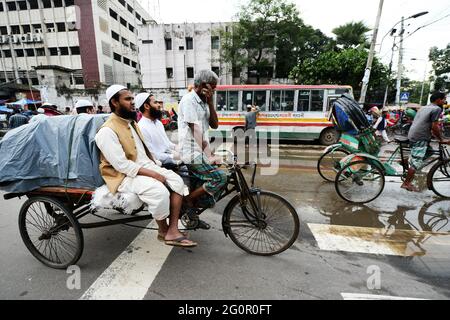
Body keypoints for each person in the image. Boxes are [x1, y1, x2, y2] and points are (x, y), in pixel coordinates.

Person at [95, 85, 196, 247]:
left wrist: (156, 167)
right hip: (124, 176)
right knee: (159, 191)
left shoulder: (131, 123)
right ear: (114, 102)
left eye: (132, 99)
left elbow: (145, 152)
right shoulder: (106, 131)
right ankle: (163, 231)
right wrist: (154, 174)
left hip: (145, 166)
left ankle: (172, 230)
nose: (132, 103)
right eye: (127, 99)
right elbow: (121, 165)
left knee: (177, 181)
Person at [178, 70, 227, 209]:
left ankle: (195, 205)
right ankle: (188, 200)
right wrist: (209, 154)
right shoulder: (189, 100)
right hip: (191, 152)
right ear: (204, 85)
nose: (214, 90)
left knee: (226, 174)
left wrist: (211, 102)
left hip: (200, 150)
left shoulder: (205, 102)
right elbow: (196, 130)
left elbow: (215, 125)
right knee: (220, 178)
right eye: (213, 87)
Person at [401, 92, 450, 192]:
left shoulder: (424, 107)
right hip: (420, 137)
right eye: (444, 99)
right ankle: (406, 183)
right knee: (417, 162)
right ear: (438, 100)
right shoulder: (437, 109)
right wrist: (441, 140)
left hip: (413, 134)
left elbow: (425, 123)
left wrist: (434, 136)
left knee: (429, 152)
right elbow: (434, 127)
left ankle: (404, 162)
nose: (445, 101)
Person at [135, 92, 179, 167]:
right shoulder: (141, 127)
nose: (159, 105)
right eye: (155, 102)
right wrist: (173, 156)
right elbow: (153, 155)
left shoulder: (158, 123)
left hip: (169, 154)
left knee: (194, 155)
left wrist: (177, 147)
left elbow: (167, 144)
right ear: (146, 106)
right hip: (161, 163)